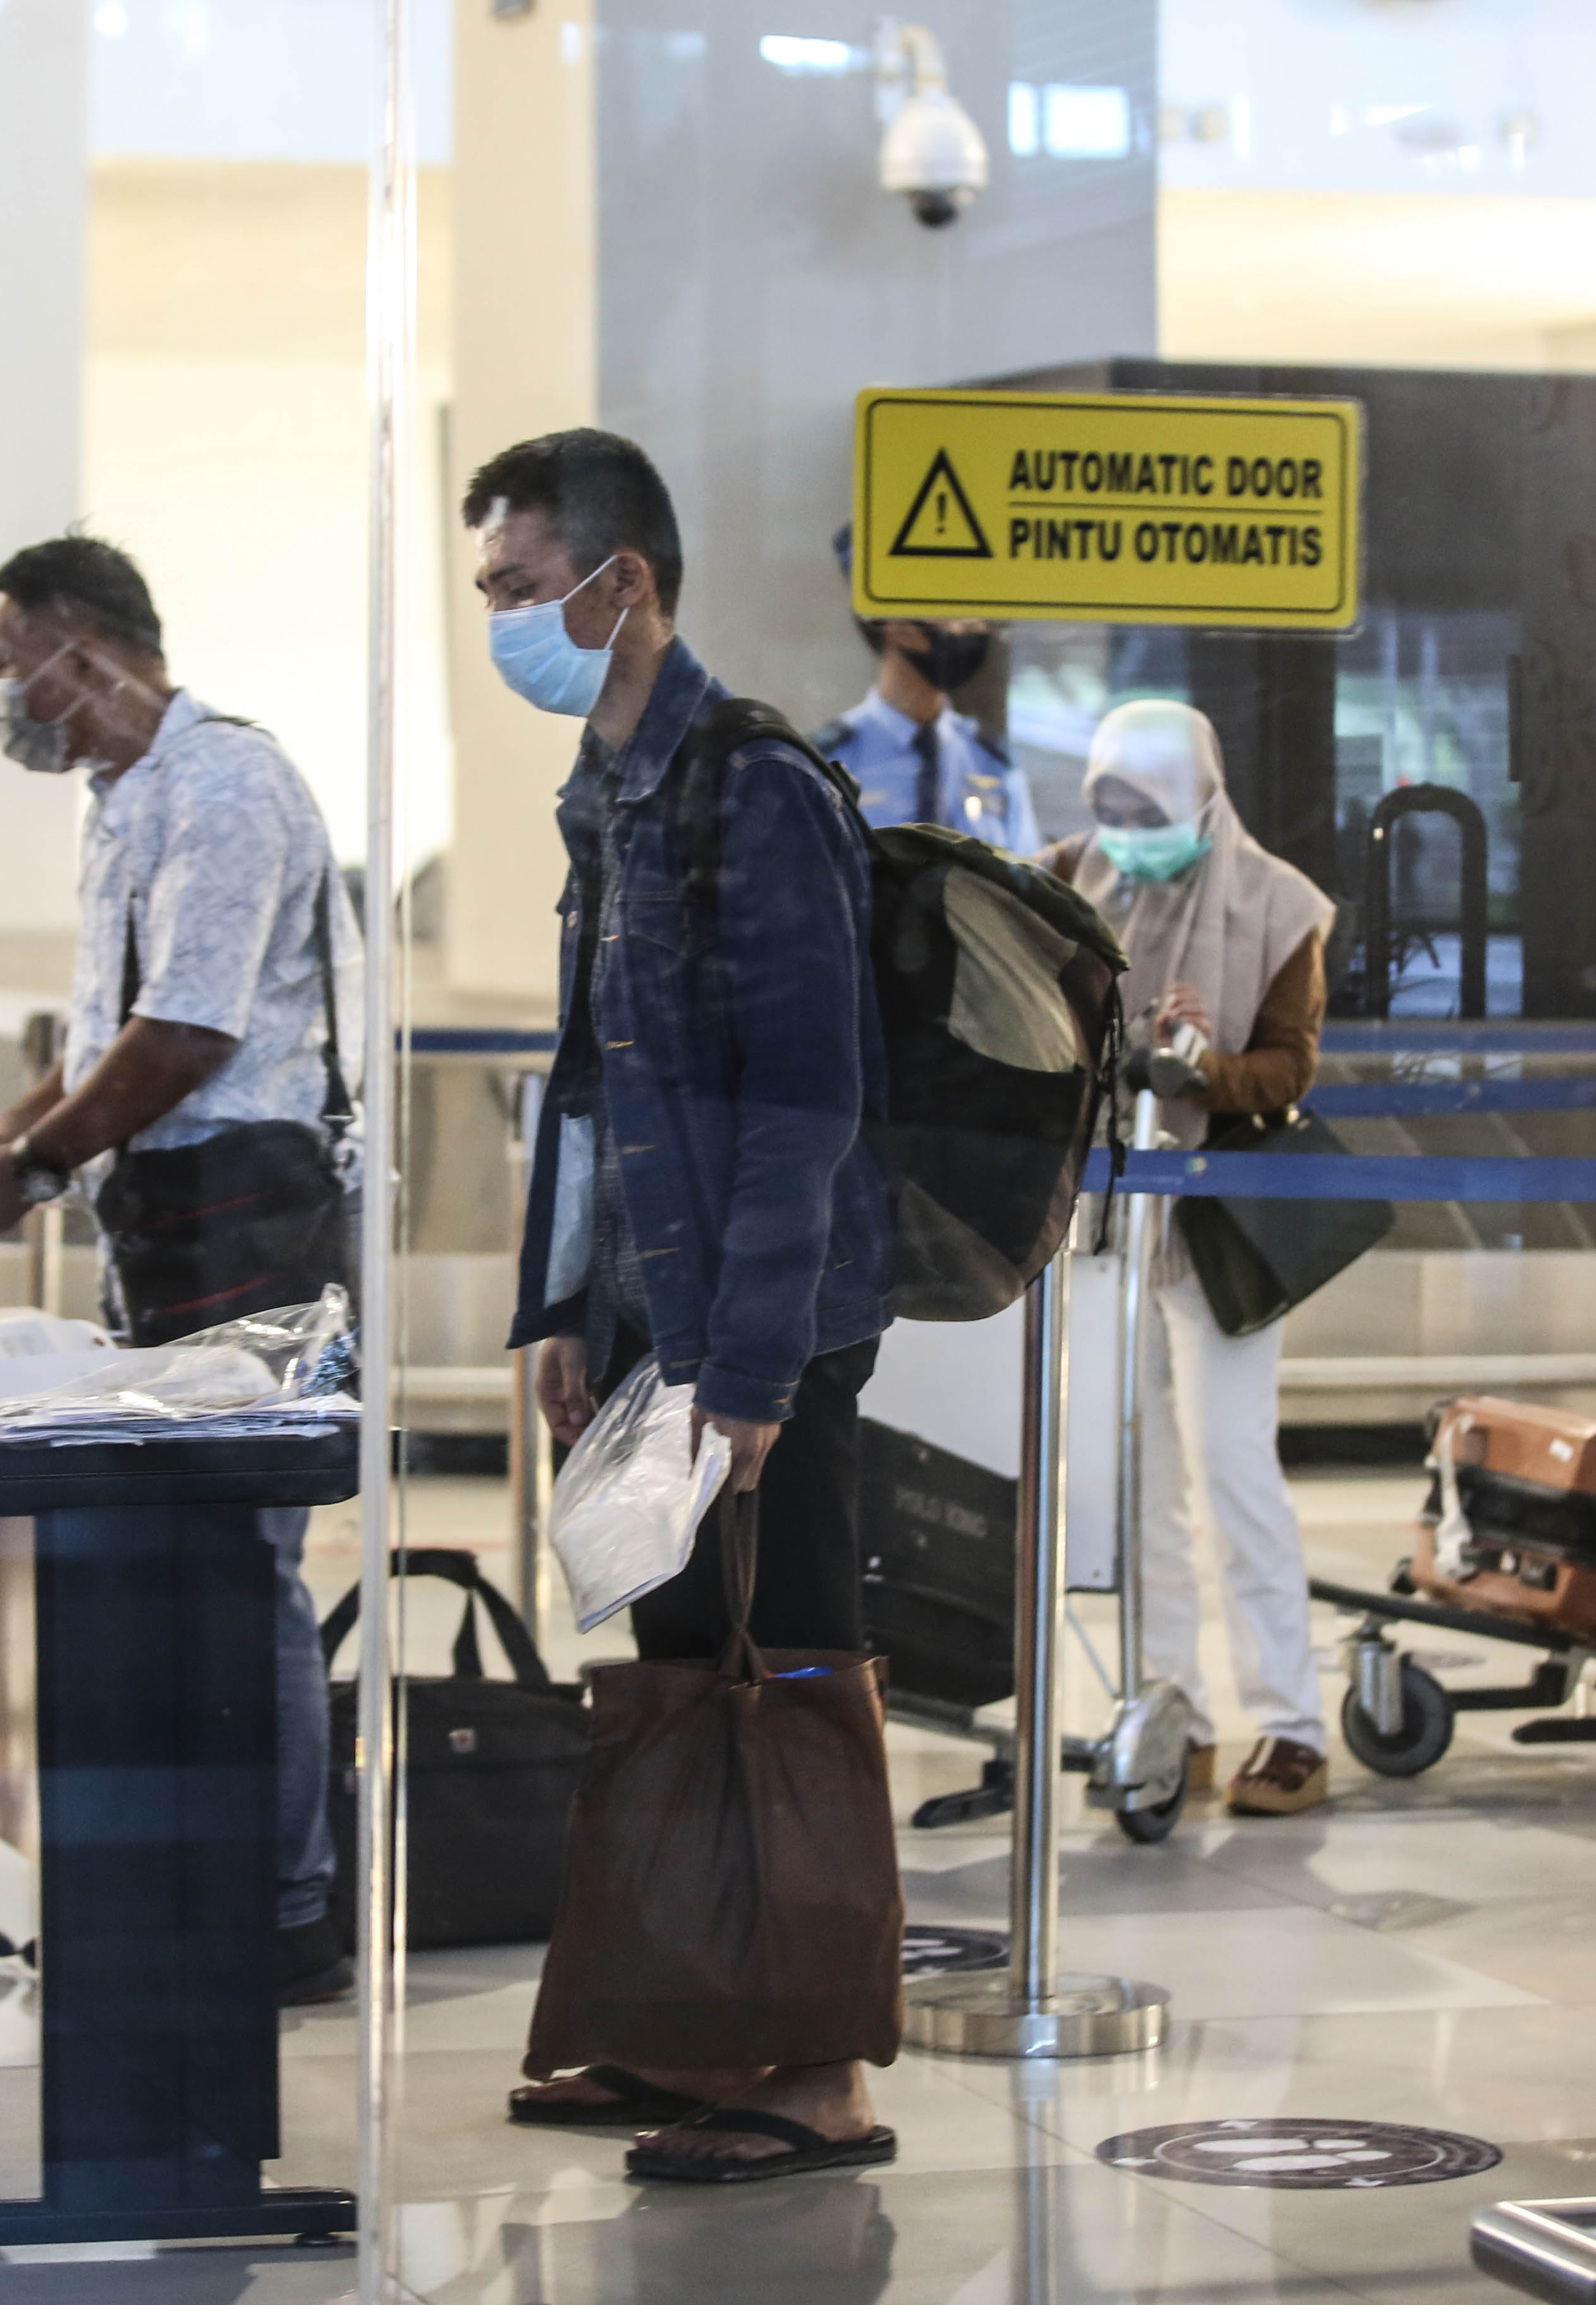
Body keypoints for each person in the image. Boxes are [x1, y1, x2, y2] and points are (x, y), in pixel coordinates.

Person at [473, 428, 897, 2179]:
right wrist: (563, 1303)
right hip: (655, 1305)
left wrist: (750, 1363)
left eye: (516, 589)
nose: (500, 621)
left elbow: (808, 1098)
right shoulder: (608, 785)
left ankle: (813, 2070)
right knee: (668, 1667)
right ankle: (678, 2026)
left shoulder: (757, 786)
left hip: (765, 1319)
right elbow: (587, 1074)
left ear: (617, 581)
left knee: (787, 1663)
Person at [0, 534, 359, 2010]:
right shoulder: (126, 798)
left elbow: (188, 1035)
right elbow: (110, 1023)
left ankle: (283, 1904)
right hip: (165, 1215)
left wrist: (34, 1167)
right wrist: (7, 1125)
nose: (0, 697)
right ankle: (196, 1872)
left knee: (241, 1565)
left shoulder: (223, 783)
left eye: (3, 663)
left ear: (76, 649)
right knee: (180, 1563)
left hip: (243, 1217)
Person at [1042, 703, 1335, 1818]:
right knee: (1138, 1483)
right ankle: (1173, 1715)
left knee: (1232, 1468)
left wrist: (1205, 1063)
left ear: (1200, 798)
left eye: (1146, 811)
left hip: (1216, 1227)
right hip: (1107, 1222)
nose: (1125, 833)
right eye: (1108, 806)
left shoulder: (1278, 904)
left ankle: (1293, 1727)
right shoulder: (1074, 876)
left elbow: (1290, 1070)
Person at [820, 528, 1036, 851]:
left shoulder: (991, 763)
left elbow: (1029, 882)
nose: (971, 627)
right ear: (895, 623)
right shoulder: (831, 762)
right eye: (949, 611)